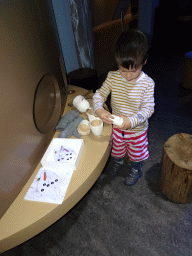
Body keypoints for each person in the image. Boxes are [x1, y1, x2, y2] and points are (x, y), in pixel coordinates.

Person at [93, 29, 155, 186]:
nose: (128, 76)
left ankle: (136, 169)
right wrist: (99, 109)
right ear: (117, 60)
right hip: (117, 129)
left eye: (134, 71)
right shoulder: (113, 77)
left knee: (136, 154)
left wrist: (131, 121)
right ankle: (118, 163)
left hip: (137, 131)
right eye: (123, 70)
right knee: (117, 150)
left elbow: (148, 109)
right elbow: (99, 95)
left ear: (144, 62)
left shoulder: (147, 84)